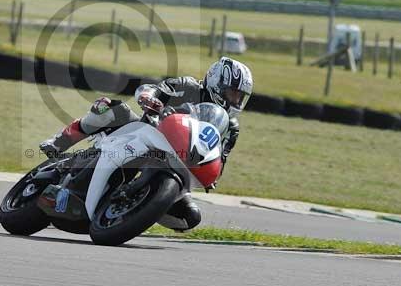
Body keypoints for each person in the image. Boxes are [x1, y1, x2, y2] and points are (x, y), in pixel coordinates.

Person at [39, 56, 253, 231]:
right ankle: (59, 142)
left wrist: (211, 176)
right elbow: (153, 88)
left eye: (239, 97)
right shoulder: (188, 87)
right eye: (232, 93)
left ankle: (134, 211)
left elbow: (220, 157)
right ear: (216, 82)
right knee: (109, 108)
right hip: (145, 132)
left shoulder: (230, 127)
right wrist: (150, 98)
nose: (235, 101)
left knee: (190, 218)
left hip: (178, 162)